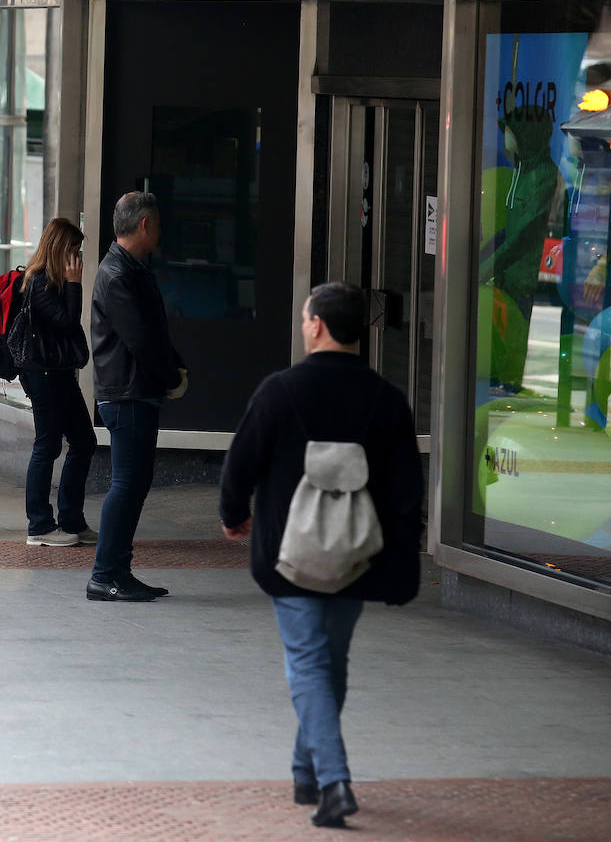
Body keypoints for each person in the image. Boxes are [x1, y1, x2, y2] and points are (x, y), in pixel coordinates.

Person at [219, 281, 424, 829]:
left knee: (309, 662)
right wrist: (405, 559)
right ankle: (304, 771)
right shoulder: (386, 398)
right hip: (358, 556)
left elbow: (241, 463)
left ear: (316, 326)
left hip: (291, 556)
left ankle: (334, 781)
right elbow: (407, 490)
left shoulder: (280, 390)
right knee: (330, 662)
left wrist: (233, 512)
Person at [86, 192, 187, 601]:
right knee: (128, 484)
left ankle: (116, 571)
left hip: (133, 391)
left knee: (133, 482)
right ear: (144, 224)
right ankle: (106, 573)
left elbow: (154, 332)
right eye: (158, 225)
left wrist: (173, 367)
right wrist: (170, 376)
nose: (160, 233)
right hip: (127, 394)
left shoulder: (129, 269)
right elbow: (141, 339)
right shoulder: (117, 274)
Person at [17, 218, 97, 547]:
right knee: (47, 445)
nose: (77, 258)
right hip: (42, 374)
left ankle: (71, 519)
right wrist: (75, 283)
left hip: (59, 372)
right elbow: (67, 323)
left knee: (84, 441)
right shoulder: (39, 282)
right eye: (74, 250)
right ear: (60, 250)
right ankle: (39, 525)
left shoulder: (53, 281)